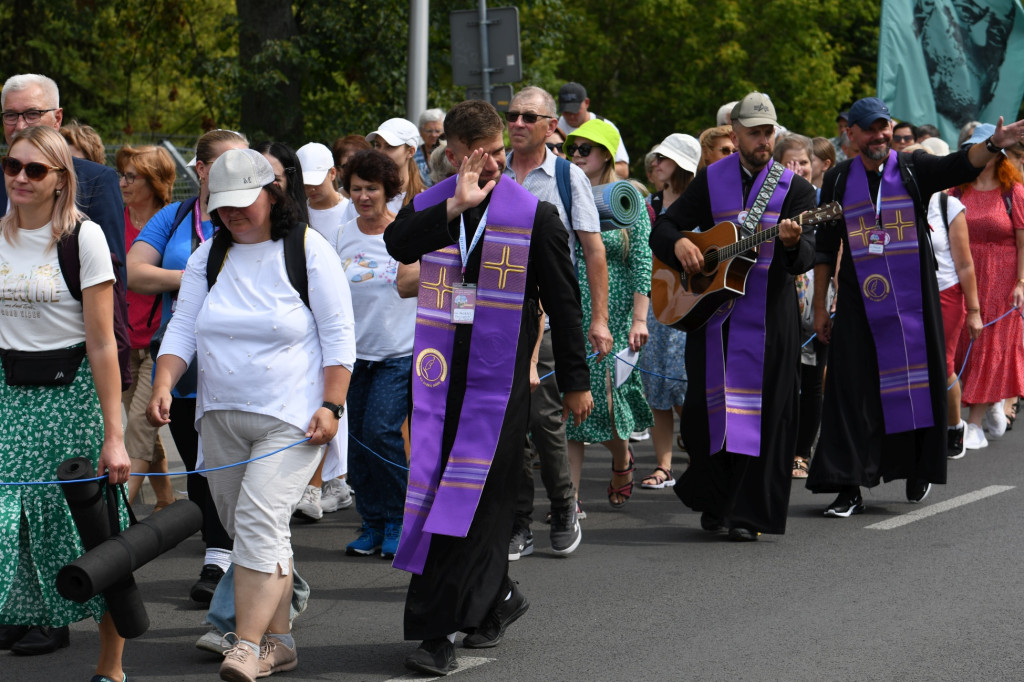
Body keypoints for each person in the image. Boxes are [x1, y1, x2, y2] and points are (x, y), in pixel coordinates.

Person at [384, 99, 592, 676]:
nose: (499, 161)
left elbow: (565, 302)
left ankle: (436, 632)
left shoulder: (534, 215)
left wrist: (575, 381)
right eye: (485, 154)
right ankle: (497, 599)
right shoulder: (435, 203)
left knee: (473, 502)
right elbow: (398, 246)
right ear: (454, 154)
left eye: (502, 151)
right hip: (437, 379)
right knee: (440, 497)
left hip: (500, 386)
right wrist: (455, 205)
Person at [148, 149, 355, 681]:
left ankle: (244, 643)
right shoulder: (207, 256)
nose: (235, 213)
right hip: (218, 416)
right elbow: (182, 327)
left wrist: (332, 405)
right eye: (224, 204)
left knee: (259, 521)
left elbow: (339, 338)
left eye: (245, 201)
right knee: (252, 534)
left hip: (293, 417)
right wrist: (165, 383)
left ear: (273, 195)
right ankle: (280, 641)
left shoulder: (309, 250)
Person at [807, 97, 1024, 515]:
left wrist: (995, 144)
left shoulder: (911, 167)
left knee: (914, 387)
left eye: (884, 126)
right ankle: (848, 485)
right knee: (850, 392)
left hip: (912, 303)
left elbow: (960, 165)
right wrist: (820, 307)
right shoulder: (836, 179)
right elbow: (824, 249)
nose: (880, 135)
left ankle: (915, 468)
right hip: (857, 302)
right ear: (850, 134)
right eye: (869, 128)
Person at [648, 92, 817, 541]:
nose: (763, 140)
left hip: (769, 320)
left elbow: (807, 257)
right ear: (735, 133)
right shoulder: (710, 179)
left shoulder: (795, 188)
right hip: (713, 317)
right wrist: (680, 244)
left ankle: (749, 514)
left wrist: (789, 243)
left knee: (764, 415)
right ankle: (716, 501)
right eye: (755, 132)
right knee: (706, 414)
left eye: (769, 132)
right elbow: (663, 227)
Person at [0, 125, 130, 677]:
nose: (20, 178)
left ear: (60, 180)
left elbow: (103, 343)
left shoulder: (85, 237)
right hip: (8, 401)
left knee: (93, 535)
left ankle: (111, 665)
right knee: (9, 529)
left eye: (35, 169)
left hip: (70, 399)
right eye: (12, 166)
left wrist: (115, 433)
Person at [127, 128, 248, 603]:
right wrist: (195, 277)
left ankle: (227, 559)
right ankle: (220, 552)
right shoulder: (174, 216)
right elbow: (136, 273)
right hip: (180, 362)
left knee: (234, 461)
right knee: (197, 466)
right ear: (200, 170)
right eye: (226, 165)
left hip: (240, 361)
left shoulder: (253, 215)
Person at [503, 85, 611, 559]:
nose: (519, 123)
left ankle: (563, 504)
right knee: (507, 423)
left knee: (544, 420)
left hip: (547, 317)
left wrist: (600, 319)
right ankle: (518, 519)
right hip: (496, 318)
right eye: (512, 115)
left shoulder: (567, 177)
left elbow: (593, 252)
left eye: (530, 117)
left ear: (552, 126)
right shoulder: (493, 172)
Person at [563, 119, 654, 507]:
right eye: (573, 149)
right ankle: (570, 500)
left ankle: (621, 458)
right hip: (569, 307)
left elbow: (642, 261)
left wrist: (639, 318)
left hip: (614, 313)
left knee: (608, 398)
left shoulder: (628, 197)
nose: (578, 156)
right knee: (572, 404)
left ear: (606, 155)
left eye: (586, 149)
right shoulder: (562, 190)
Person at [332, 149, 417, 558]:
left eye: (372, 189)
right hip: (354, 356)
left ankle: (401, 518)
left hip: (398, 353)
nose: (364, 196)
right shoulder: (342, 233)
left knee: (381, 433)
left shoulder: (405, 232)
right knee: (357, 443)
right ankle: (372, 522)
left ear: (388, 190)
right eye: (356, 189)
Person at [2, 74, 125, 282]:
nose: (21, 125)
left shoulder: (97, 181)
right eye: (11, 115)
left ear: (57, 118)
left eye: (32, 114)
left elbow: (113, 279)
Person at [951, 123, 1024, 449]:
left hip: (1001, 279)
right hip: (962, 275)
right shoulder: (955, 190)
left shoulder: (1014, 192)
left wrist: (1021, 282)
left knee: (987, 345)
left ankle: (976, 421)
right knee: (960, 344)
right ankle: (983, 404)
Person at [910, 142, 982, 458]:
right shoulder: (894, 202)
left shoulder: (948, 205)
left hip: (945, 293)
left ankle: (955, 426)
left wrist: (974, 311)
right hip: (909, 293)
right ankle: (918, 429)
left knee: (943, 364)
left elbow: (965, 264)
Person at [115, 144, 177, 509]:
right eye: (122, 175)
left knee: (138, 424)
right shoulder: (113, 220)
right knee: (144, 422)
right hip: (122, 339)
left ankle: (118, 515)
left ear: (153, 182)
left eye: (131, 176)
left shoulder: (170, 222)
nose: (122, 183)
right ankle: (167, 498)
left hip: (159, 341)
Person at [639, 132, 700, 490]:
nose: (655, 164)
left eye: (663, 158)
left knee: (685, 387)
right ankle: (663, 465)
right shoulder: (649, 204)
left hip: (691, 305)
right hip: (656, 303)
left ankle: (698, 454)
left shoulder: (701, 203)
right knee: (656, 386)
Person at [556, 82, 630, 178]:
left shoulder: (605, 126)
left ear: (587, 103)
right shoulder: (552, 127)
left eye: (575, 110)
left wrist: (593, 168)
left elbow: (623, 170)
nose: (571, 115)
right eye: (566, 111)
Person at [366, 118, 425, 208]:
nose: (381, 152)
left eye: (390, 146)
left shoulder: (425, 199)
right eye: (377, 145)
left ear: (411, 152)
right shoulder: (363, 195)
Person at [296, 142, 346, 240]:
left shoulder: (351, 210)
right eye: (305, 184)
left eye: (316, 182)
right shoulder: (298, 216)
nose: (311, 189)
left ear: (332, 173)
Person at [415, 108, 445, 187]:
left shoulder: (450, 154)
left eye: (438, 131)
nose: (433, 135)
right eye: (429, 131)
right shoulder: (413, 154)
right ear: (420, 131)